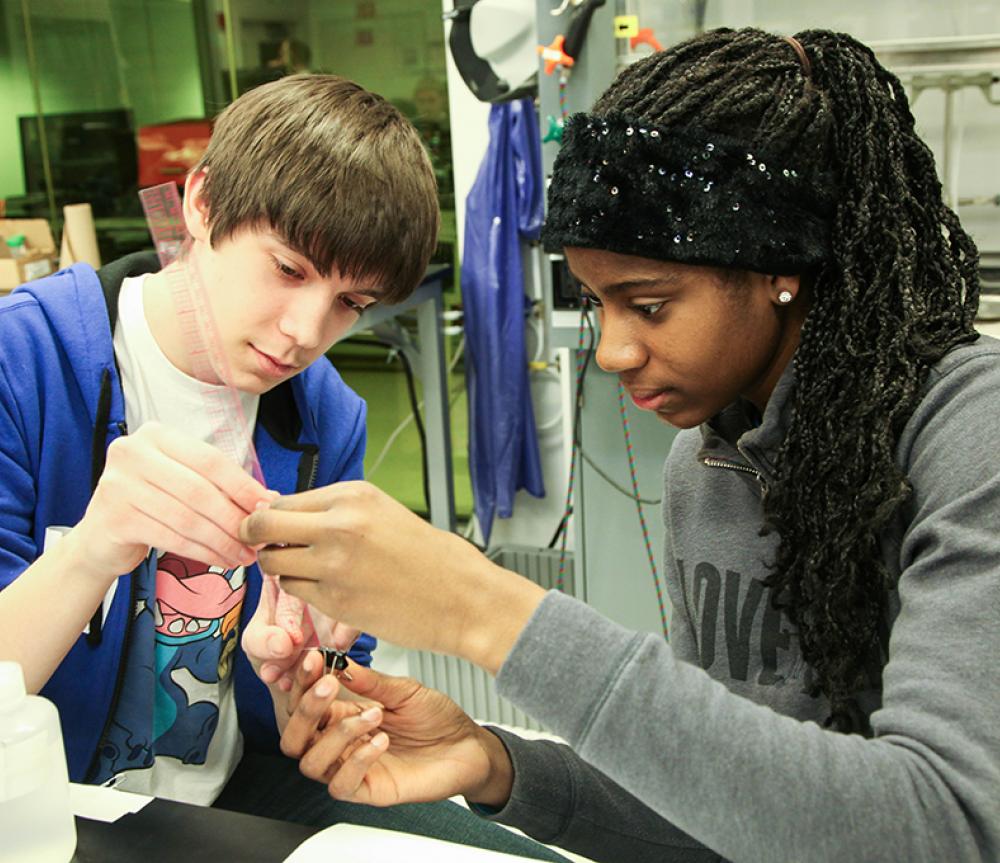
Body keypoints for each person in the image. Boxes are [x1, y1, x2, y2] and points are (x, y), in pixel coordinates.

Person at [240, 28, 1000, 863]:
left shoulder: (971, 433)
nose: (612, 351)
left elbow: (945, 827)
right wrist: (497, 763)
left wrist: (486, 609)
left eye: (650, 302)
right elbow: (725, 805)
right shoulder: (706, 469)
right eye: (599, 303)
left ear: (781, 265)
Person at [0, 73, 565, 861]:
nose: (306, 331)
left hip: (242, 796)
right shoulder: (24, 362)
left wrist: (302, 681)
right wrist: (95, 547)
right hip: (49, 803)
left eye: (351, 304)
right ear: (201, 203)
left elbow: (327, 701)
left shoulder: (325, 416)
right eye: (290, 269)